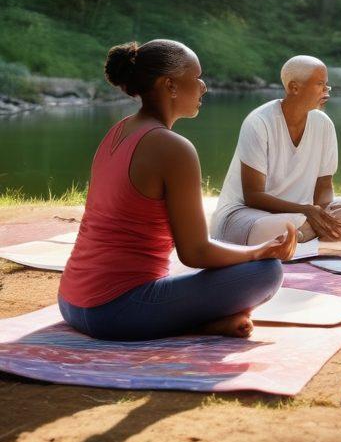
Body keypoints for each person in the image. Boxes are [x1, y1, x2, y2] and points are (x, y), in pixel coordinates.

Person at [58, 40, 294, 342]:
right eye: (196, 78)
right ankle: (199, 323)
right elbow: (195, 252)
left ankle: (198, 322)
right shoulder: (172, 148)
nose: (203, 87)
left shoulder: (118, 131)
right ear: (169, 85)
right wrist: (257, 253)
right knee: (267, 272)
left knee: (224, 258)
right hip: (115, 313)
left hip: (71, 301)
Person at [210, 55, 341, 246]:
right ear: (294, 87)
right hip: (247, 215)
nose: (326, 91)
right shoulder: (259, 122)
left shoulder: (324, 124)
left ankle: (300, 236)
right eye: (320, 84)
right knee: (285, 224)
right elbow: (253, 196)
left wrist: (320, 213)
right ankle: (300, 235)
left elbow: (324, 185)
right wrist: (306, 211)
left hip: (301, 214)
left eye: (327, 85)